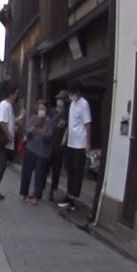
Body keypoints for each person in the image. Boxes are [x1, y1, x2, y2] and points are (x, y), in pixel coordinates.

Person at [59, 82, 92, 210]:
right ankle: (69, 194)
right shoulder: (72, 104)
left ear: (78, 92)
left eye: (73, 93)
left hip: (80, 143)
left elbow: (88, 124)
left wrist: (88, 143)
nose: (71, 95)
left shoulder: (84, 104)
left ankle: (73, 198)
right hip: (71, 142)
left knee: (77, 171)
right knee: (70, 170)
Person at [0, 82, 19, 200]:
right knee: (0, 167)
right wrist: (9, 135)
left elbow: (9, 121)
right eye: (16, 93)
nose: (17, 96)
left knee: (1, 167)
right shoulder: (4, 105)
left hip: (5, 142)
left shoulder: (8, 106)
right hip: (1, 141)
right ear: (11, 94)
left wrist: (19, 118)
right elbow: (2, 121)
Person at [20, 100, 53, 204]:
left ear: (47, 110)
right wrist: (32, 130)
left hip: (43, 152)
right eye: (39, 108)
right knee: (26, 172)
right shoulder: (33, 118)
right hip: (31, 148)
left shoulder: (49, 122)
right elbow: (26, 130)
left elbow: (49, 136)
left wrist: (41, 133)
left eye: (43, 108)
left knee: (39, 174)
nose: (41, 110)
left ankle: (36, 196)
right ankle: (25, 194)